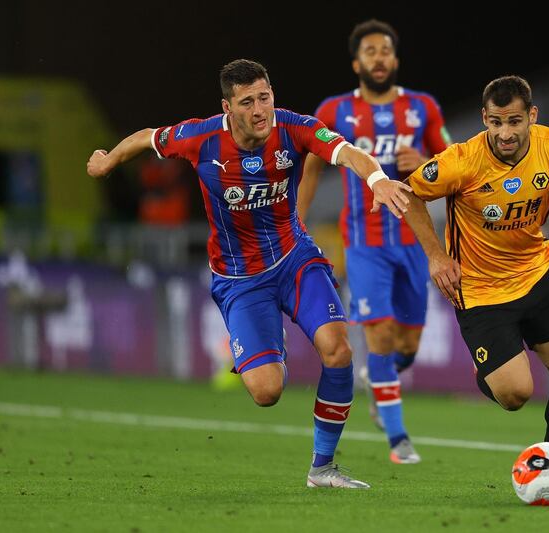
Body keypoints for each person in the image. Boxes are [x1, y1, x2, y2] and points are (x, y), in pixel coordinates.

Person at [87, 59, 413, 489]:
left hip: (296, 258)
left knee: (338, 351)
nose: (261, 110)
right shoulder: (199, 137)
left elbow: (349, 152)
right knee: (266, 392)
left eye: (265, 97)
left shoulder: (293, 127)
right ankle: (261, 339)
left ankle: (323, 468)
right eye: (248, 102)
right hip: (240, 280)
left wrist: (377, 181)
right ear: (228, 107)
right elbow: (148, 138)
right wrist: (108, 161)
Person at [402, 75, 549, 490]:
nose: (505, 133)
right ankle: (489, 372)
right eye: (496, 123)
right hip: (480, 290)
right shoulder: (461, 160)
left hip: (535, 274)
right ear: (485, 119)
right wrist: (436, 256)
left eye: (514, 121)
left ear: (531, 117)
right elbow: (407, 194)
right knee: (514, 395)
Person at [298, 19, 450, 465]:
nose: (378, 57)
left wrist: (425, 160)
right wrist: (297, 222)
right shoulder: (334, 110)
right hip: (363, 244)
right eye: (370, 51)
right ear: (356, 62)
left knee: (407, 346)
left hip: (416, 241)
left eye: (385, 50)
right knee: (379, 333)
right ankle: (399, 439)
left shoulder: (422, 108)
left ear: (396, 60)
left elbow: (458, 161)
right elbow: (310, 166)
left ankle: (380, 379)